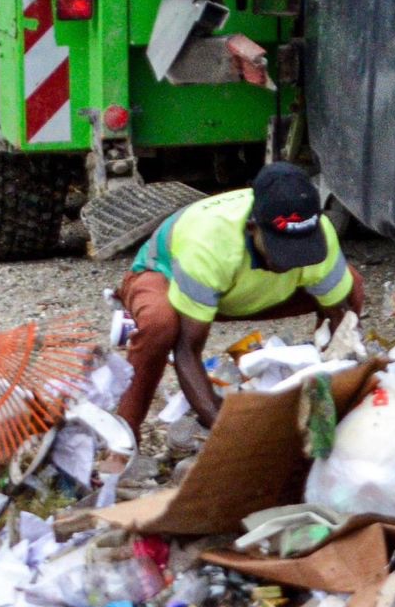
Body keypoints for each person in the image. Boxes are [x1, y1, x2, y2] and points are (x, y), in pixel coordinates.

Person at [113, 162, 364, 439]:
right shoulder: (209, 243)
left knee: (350, 286)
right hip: (174, 282)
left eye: (301, 250)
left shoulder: (318, 230)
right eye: (282, 251)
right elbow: (187, 350)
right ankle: (123, 438)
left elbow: (342, 322)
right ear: (252, 228)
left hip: (248, 290)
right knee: (160, 323)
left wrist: (340, 396)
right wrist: (227, 428)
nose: (292, 262)